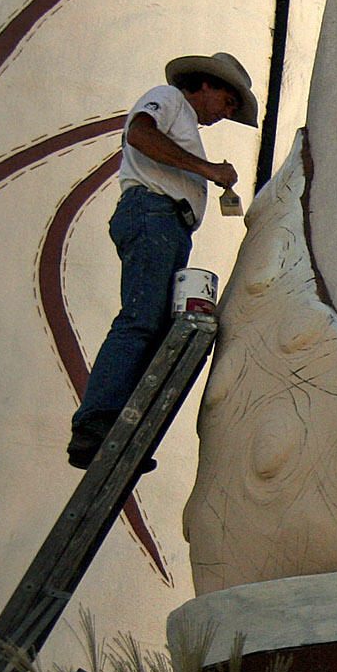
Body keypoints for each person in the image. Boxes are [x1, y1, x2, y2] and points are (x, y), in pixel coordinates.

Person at [67, 52, 257, 469]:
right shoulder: (169, 98)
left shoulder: (181, 118)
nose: (226, 113)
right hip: (152, 212)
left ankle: (119, 425)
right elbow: (139, 134)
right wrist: (206, 169)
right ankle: (95, 423)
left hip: (166, 221)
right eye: (227, 102)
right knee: (140, 320)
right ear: (205, 84)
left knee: (153, 328)